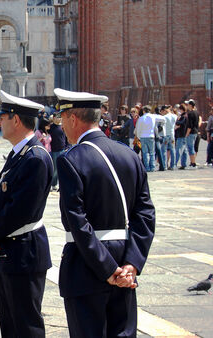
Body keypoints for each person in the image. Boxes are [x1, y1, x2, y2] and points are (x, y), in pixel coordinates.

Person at [54, 88, 156, 338]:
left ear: (73, 119)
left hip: (87, 265)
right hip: (125, 261)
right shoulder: (129, 155)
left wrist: (108, 269)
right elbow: (145, 214)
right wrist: (131, 264)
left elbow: (77, 222)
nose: (62, 127)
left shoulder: (71, 159)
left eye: (63, 120)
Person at [0, 91, 54, 338]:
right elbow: (1, 198)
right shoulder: (20, 153)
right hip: (9, 249)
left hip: (24, 251)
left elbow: (20, 211)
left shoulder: (35, 158)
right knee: (10, 324)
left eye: (3, 117)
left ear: (16, 120)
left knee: (25, 325)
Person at [135, 105, 165, 172]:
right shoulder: (153, 117)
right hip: (151, 136)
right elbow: (163, 119)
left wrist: (139, 137)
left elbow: (138, 129)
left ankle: (147, 167)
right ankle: (152, 167)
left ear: (143, 111)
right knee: (152, 153)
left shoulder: (141, 118)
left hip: (143, 136)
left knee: (145, 153)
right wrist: (160, 126)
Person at [49, 115, 66, 191]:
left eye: (60, 117)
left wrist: (67, 147)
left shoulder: (63, 126)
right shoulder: (51, 127)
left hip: (62, 149)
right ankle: (53, 184)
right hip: (54, 150)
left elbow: (66, 137)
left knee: (63, 168)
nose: (59, 119)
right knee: (55, 168)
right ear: (54, 118)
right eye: (57, 117)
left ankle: (61, 185)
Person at [185, 99, 199, 168]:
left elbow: (190, 125)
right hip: (195, 131)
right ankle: (192, 162)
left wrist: (187, 134)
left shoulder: (190, 113)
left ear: (190, 105)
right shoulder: (196, 112)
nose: (187, 106)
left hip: (191, 132)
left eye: (188, 105)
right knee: (192, 147)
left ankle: (193, 163)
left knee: (190, 148)